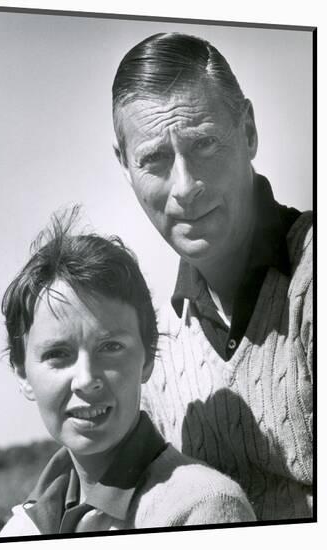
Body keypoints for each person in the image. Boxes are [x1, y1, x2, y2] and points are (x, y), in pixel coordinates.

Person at [112, 32, 313, 522]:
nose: (185, 187)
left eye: (204, 143)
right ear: (124, 165)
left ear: (248, 130)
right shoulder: (156, 344)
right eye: (154, 160)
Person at [0, 210, 255, 537]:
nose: (86, 379)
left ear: (147, 357)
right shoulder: (20, 527)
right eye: (58, 354)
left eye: (110, 347)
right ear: (22, 374)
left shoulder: (200, 509)